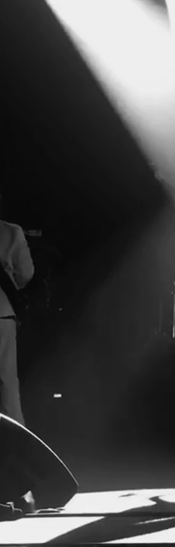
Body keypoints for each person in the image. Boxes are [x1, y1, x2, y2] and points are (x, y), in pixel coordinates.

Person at [0, 193, 36, 516]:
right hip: (1, 317)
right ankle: (17, 485)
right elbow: (26, 276)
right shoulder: (11, 232)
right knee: (9, 401)